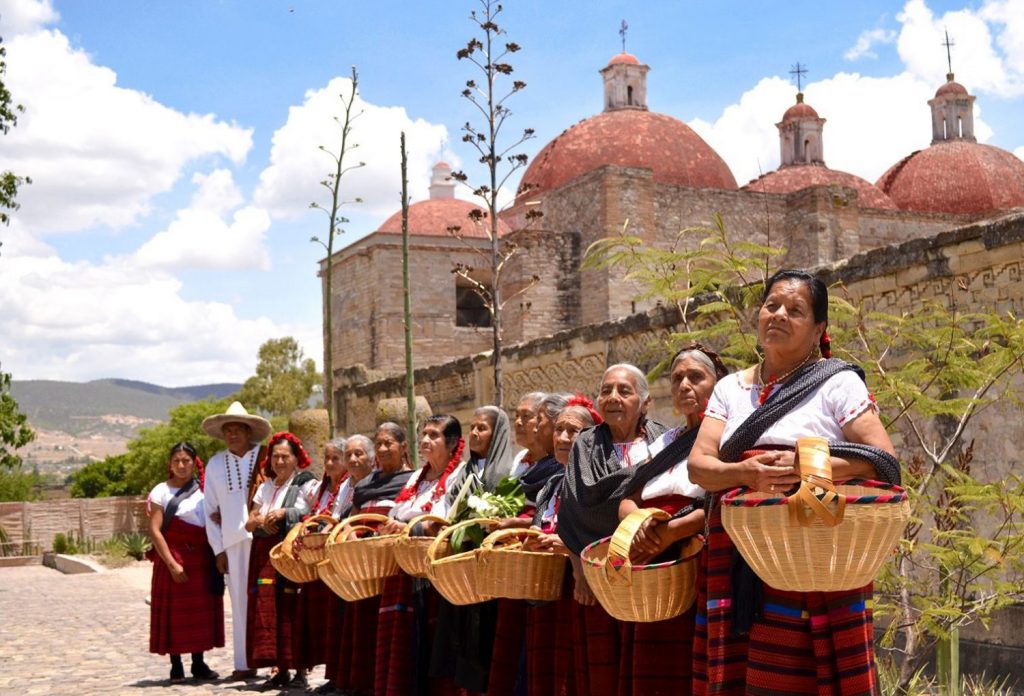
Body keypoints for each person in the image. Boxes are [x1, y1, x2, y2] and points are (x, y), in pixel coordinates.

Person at [689, 270, 900, 695]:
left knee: (805, 669)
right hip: (737, 547)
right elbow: (699, 467)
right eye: (771, 306)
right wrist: (749, 473)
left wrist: (806, 465)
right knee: (737, 667)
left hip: (813, 545)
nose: (779, 315)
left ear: (819, 329)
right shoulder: (730, 389)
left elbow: (882, 459)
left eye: (795, 310)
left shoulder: (838, 382)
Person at [614, 345, 727, 696]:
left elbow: (722, 500)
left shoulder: (727, 438)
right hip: (652, 556)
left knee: (688, 655)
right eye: (677, 378)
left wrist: (671, 532)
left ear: (718, 384)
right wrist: (638, 525)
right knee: (652, 660)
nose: (684, 385)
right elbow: (629, 496)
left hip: (697, 554)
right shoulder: (664, 442)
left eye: (696, 377)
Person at [556, 363, 669, 696]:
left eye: (624, 390)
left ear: (645, 402)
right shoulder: (586, 444)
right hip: (599, 574)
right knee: (604, 670)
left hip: (654, 569)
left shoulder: (665, 441)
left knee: (652, 668)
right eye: (606, 391)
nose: (613, 397)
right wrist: (580, 573)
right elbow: (574, 510)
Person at [377, 415, 466, 696]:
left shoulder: (460, 476)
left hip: (433, 569)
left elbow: (445, 521)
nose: (425, 440)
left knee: (431, 634)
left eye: (434, 435)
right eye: (424, 434)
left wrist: (409, 526)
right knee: (402, 633)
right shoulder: (417, 477)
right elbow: (396, 511)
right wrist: (395, 525)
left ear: (452, 443)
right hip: (405, 561)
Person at [525, 396, 603, 696]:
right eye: (559, 429)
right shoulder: (552, 484)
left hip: (585, 590)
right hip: (551, 587)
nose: (563, 438)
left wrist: (568, 548)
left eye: (574, 431)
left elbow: (601, 532)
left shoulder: (596, 481)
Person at [333, 426, 414, 696]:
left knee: (388, 623)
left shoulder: (412, 481)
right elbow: (351, 518)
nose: (382, 449)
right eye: (378, 444)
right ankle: (362, 682)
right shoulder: (366, 483)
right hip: (363, 562)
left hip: (392, 563)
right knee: (362, 622)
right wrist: (351, 535)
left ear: (403, 446)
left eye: (388, 443)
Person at [201, 401, 271, 680]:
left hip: (264, 540)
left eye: (238, 429)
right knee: (239, 602)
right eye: (227, 430)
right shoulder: (216, 464)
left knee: (268, 599)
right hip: (232, 543)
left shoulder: (265, 458)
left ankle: (276, 660)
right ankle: (244, 662)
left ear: (248, 431)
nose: (232, 434)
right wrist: (218, 550)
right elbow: (209, 510)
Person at [244, 431, 318, 688]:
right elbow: (249, 522)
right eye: (275, 456)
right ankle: (280, 668)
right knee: (269, 608)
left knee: (292, 607)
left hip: (291, 552)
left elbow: (314, 513)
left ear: (297, 458)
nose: (280, 461)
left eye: (285, 456)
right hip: (264, 554)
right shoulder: (265, 487)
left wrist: (286, 512)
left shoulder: (306, 484)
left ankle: (300, 669)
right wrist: (261, 520)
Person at [147, 442, 223, 682]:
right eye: (176, 461)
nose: (181, 465)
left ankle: (198, 663)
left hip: (201, 559)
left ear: (194, 463)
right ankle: (176, 664)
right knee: (175, 613)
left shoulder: (204, 492)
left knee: (198, 613)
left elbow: (214, 520)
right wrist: (171, 564)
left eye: (186, 461)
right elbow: (155, 531)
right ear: (170, 464)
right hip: (171, 557)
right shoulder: (161, 492)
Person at [298, 436, 347, 695]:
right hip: (317, 561)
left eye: (335, 458)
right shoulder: (320, 489)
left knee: (337, 621)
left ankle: (341, 675)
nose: (329, 463)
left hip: (337, 562)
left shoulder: (349, 487)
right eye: (326, 458)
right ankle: (331, 674)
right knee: (323, 622)